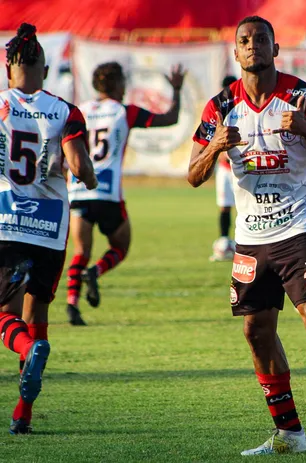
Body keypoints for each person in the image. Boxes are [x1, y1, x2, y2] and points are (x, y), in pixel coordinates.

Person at [189, 16, 306, 456]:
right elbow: (193, 175)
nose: (253, 46)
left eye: (262, 39)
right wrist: (216, 146)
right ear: (235, 52)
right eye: (245, 40)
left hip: (302, 224)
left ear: (275, 49)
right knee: (256, 332)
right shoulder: (219, 107)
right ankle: (289, 432)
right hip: (252, 234)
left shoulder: (303, 98)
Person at [0, 23, 97, 434]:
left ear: (9, 69)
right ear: (45, 66)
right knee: (36, 311)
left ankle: (26, 347)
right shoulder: (64, 111)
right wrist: (89, 180)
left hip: (6, 222)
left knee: (7, 318)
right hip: (50, 227)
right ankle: (23, 415)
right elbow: (78, 165)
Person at [66, 61, 186, 326]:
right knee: (121, 247)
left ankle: (72, 304)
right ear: (118, 84)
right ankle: (95, 272)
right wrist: (176, 90)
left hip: (78, 190)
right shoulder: (124, 112)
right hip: (107, 193)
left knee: (80, 250)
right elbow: (170, 118)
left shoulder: (79, 111)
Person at [210, 75, 238, 262]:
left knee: (246, 205)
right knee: (224, 206)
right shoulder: (218, 110)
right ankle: (224, 240)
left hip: (243, 166)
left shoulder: (243, 109)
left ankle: (244, 243)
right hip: (224, 168)